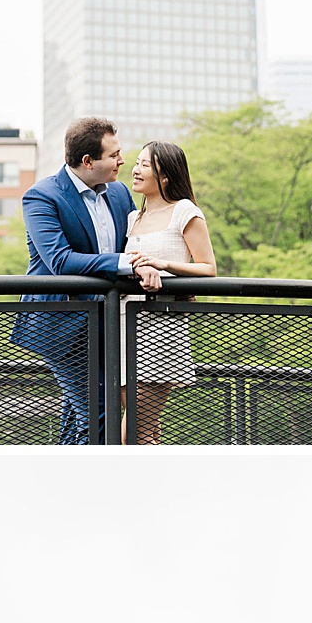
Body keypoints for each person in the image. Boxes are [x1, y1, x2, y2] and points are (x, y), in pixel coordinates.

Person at [10, 117, 163, 442]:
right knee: (100, 415)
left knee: (83, 416)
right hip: (59, 325)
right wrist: (127, 265)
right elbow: (60, 260)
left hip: (109, 322)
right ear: (88, 161)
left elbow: (138, 244)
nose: (122, 161)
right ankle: (96, 486)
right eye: (114, 155)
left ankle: (67, 481)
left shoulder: (120, 194)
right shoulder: (42, 197)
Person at [121, 139, 217, 445]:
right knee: (146, 431)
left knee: (131, 435)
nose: (135, 170)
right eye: (136, 163)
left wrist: (165, 265)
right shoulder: (132, 219)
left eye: (145, 165)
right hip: (124, 325)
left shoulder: (184, 211)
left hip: (161, 330)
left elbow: (208, 268)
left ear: (165, 176)